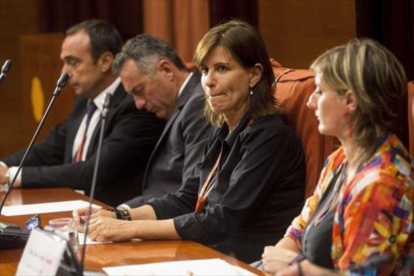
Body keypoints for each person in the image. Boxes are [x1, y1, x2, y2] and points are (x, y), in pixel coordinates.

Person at [74, 20, 305, 263]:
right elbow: (187, 198)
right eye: (205, 70)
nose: (209, 81)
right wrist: (119, 216)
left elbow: (221, 220)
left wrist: (127, 230)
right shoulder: (223, 130)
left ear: (254, 75)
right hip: (209, 254)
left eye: (222, 69)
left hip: (247, 264)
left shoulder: (270, 136)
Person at [261, 38, 414, 275]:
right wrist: (277, 262)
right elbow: (300, 228)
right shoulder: (341, 157)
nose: (310, 102)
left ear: (350, 101)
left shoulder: (382, 183)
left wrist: (299, 269)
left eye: (320, 92)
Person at [0, 19, 164, 206]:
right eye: (64, 63)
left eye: (73, 62)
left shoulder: (135, 106)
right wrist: (3, 167)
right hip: (72, 209)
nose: (65, 72)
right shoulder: (84, 103)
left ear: (105, 62)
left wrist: (12, 175)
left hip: (112, 216)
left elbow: (92, 172)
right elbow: (49, 150)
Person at [111, 34, 213, 209]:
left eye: (139, 90)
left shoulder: (198, 104)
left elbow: (191, 195)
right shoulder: (180, 104)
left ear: (166, 70)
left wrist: (125, 215)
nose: (138, 104)